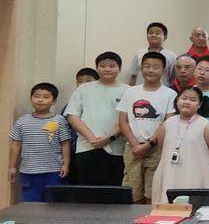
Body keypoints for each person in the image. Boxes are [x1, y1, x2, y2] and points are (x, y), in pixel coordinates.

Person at [117, 51, 177, 203]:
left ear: (163, 71)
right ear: (141, 68)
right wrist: (136, 145)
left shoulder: (170, 94)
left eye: (156, 67)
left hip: (157, 149)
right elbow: (123, 121)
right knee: (132, 192)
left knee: (153, 193)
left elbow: (167, 123)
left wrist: (148, 144)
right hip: (133, 148)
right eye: (147, 66)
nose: (150, 70)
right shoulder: (130, 92)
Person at [65, 51, 129, 185]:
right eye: (103, 66)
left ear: (119, 68)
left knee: (113, 191)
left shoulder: (128, 90)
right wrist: (92, 139)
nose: (107, 69)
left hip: (116, 150)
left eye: (112, 66)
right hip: (86, 147)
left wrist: (109, 138)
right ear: (97, 68)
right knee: (87, 191)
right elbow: (72, 116)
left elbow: (127, 119)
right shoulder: (84, 89)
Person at [150, 87, 209, 204]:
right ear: (177, 100)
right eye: (184, 98)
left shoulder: (205, 126)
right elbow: (162, 147)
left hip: (196, 174)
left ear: (199, 104)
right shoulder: (167, 124)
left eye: (193, 100)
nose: (187, 102)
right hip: (170, 173)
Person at [9, 83, 71, 202]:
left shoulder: (59, 120)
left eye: (46, 97)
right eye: (36, 96)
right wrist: (12, 167)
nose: (40, 100)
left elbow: (65, 144)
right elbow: (16, 145)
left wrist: (66, 165)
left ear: (54, 101)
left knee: (54, 205)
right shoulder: (22, 121)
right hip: (29, 172)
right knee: (31, 205)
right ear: (30, 99)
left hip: (54, 171)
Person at [128, 22, 177, 86]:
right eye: (150, 33)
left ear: (165, 37)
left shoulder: (171, 55)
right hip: (140, 90)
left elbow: (174, 78)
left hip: (163, 90)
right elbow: (133, 76)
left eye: (157, 33)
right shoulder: (139, 53)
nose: (153, 35)